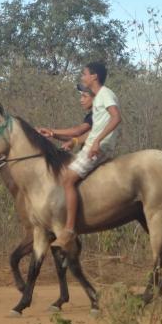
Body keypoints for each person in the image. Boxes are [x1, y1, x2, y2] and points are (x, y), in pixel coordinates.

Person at [52, 61, 121, 252]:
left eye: (84, 74)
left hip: (99, 147)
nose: (82, 77)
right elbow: (92, 129)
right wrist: (75, 142)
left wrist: (98, 141)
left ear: (94, 76)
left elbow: (116, 117)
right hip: (92, 144)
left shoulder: (105, 94)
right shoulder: (99, 97)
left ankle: (69, 230)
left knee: (67, 180)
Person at [38, 84, 94, 151]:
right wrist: (51, 134)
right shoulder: (91, 115)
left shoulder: (95, 115)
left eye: (85, 96)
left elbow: (77, 132)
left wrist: (51, 131)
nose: (81, 100)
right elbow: (76, 138)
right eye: (81, 96)